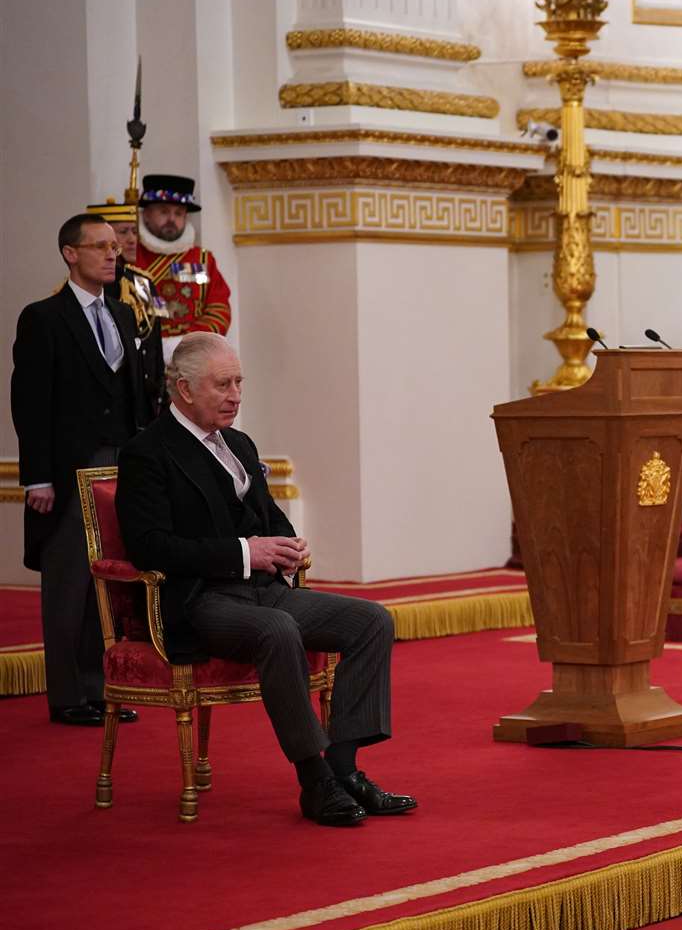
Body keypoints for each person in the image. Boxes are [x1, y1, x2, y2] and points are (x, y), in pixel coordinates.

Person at [116, 333, 416, 827]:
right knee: (279, 629)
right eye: (223, 384)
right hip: (199, 599)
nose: (236, 394)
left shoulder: (238, 443)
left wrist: (288, 546)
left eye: (239, 382)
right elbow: (151, 546)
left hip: (265, 589)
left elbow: (268, 516)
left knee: (371, 621)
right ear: (185, 390)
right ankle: (313, 780)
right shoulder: (147, 452)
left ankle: (344, 772)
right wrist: (244, 552)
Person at [12, 214, 154, 726]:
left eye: (115, 247)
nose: (112, 255)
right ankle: (68, 695)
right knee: (70, 579)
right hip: (70, 467)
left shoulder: (121, 315)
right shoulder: (43, 317)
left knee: (111, 579)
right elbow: (29, 404)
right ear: (71, 253)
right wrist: (38, 478)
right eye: (100, 247)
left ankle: (101, 688)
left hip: (121, 464)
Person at [132, 174, 231, 360]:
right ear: (145, 214)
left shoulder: (203, 259)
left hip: (194, 356)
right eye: (163, 211)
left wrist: (186, 343)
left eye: (178, 213)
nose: (171, 219)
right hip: (144, 358)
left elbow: (219, 309)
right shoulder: (130, 259)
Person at [85, 197, 166, 418]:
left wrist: (160, 391)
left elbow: (154, 341)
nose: (132, 240)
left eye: (134, 231)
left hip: (146, 401)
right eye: (123, 233)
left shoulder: (144, 283)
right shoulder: (88, 287)